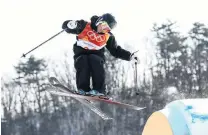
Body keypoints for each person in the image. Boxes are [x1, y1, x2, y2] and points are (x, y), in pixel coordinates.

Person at [62, 13, 137, 96]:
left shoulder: (108, 36)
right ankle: (83, 89)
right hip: (81, 53)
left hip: (96, 55)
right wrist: (69, 25)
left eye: (107, 29)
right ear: (99, 21)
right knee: (83, 62)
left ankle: (99, 90)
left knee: (95, 61)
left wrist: (130, 56)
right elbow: (68, 28)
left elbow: (115, 50)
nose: (104, 30)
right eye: (104, 26)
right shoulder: (84, 25)